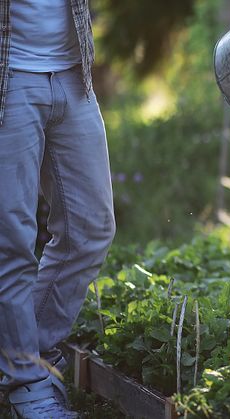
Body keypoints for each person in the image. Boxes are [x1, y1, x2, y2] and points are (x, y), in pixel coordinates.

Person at [0, 0, 116, 417]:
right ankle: (26, 381)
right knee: (10, 239)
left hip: (73, 73)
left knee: (91, 228)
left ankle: (29, 352)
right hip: (8, 76)